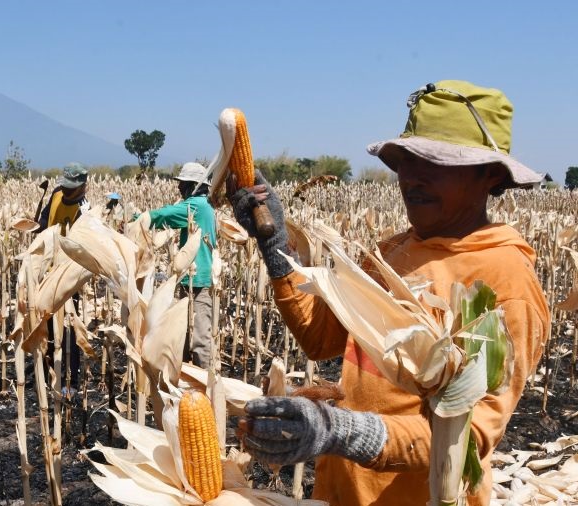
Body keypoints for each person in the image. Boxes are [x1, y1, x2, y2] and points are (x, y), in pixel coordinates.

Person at [230, 80, 549, 505]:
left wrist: (340, 431)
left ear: (490, 175)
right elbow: (320, 337)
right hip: (344, 490)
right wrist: (276, 246)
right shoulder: (392, 250)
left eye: (435, 163)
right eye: (407, 160)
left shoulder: (503, 278)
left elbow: (469, 435)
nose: (412, 177)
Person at [146, 162, 217, 368]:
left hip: (199, 280)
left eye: (183, 183)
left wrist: (140, 219)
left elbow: (165, 215)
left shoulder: (198, 205)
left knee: (200, 339)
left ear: (194, 185)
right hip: (191, 279)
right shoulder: (204, 205)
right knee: (184, 336)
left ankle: (204, 389)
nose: (179, 188)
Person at [36, 163, 89, 396]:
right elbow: (43, 223)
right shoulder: (57, 194)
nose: (67, 192)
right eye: (65, 187)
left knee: (69, 326)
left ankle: (72, 380)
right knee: (47, 322)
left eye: (71, 189)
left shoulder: (84, 210)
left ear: (83, 186)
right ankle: (51, 372)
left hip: (69, 275)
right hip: (48, 270)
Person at [36, 163, 88, 235]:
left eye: (70, 187)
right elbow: (46, 216)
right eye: (64, 185)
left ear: (83, 187)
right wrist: (37, 226)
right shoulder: (57, 192)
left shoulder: (84, 211)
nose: (65, 189)